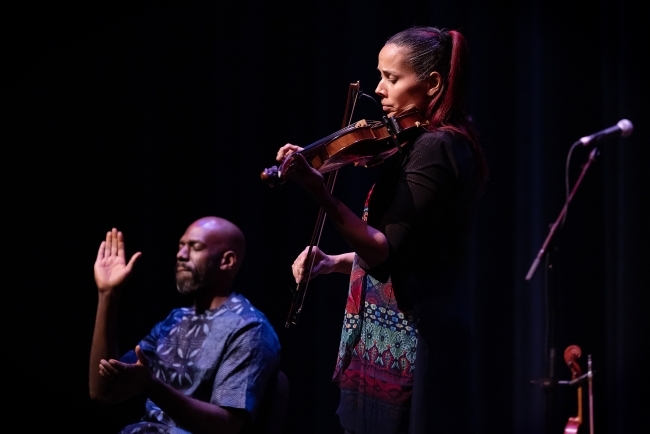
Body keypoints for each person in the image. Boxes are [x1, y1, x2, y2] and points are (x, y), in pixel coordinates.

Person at [275, 27, 488, 434]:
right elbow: (412, 251)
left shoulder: (436, 147)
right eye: (380, 75)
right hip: (394, 332)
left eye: (392, 78)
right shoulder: (420, 142)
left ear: (433, 84)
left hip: (417, 336)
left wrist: (320, 190)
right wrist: (331, 263)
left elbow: (383, 251)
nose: (379, 89)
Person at [89, 217, 281, 434]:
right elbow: (103, 390)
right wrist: (107, 295)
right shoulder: (175, 320)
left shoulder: (248, 328)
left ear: (227, 261)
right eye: (181, 246)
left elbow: (226, 427)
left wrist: (151, 385)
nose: (180, 255)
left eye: (195, 247)